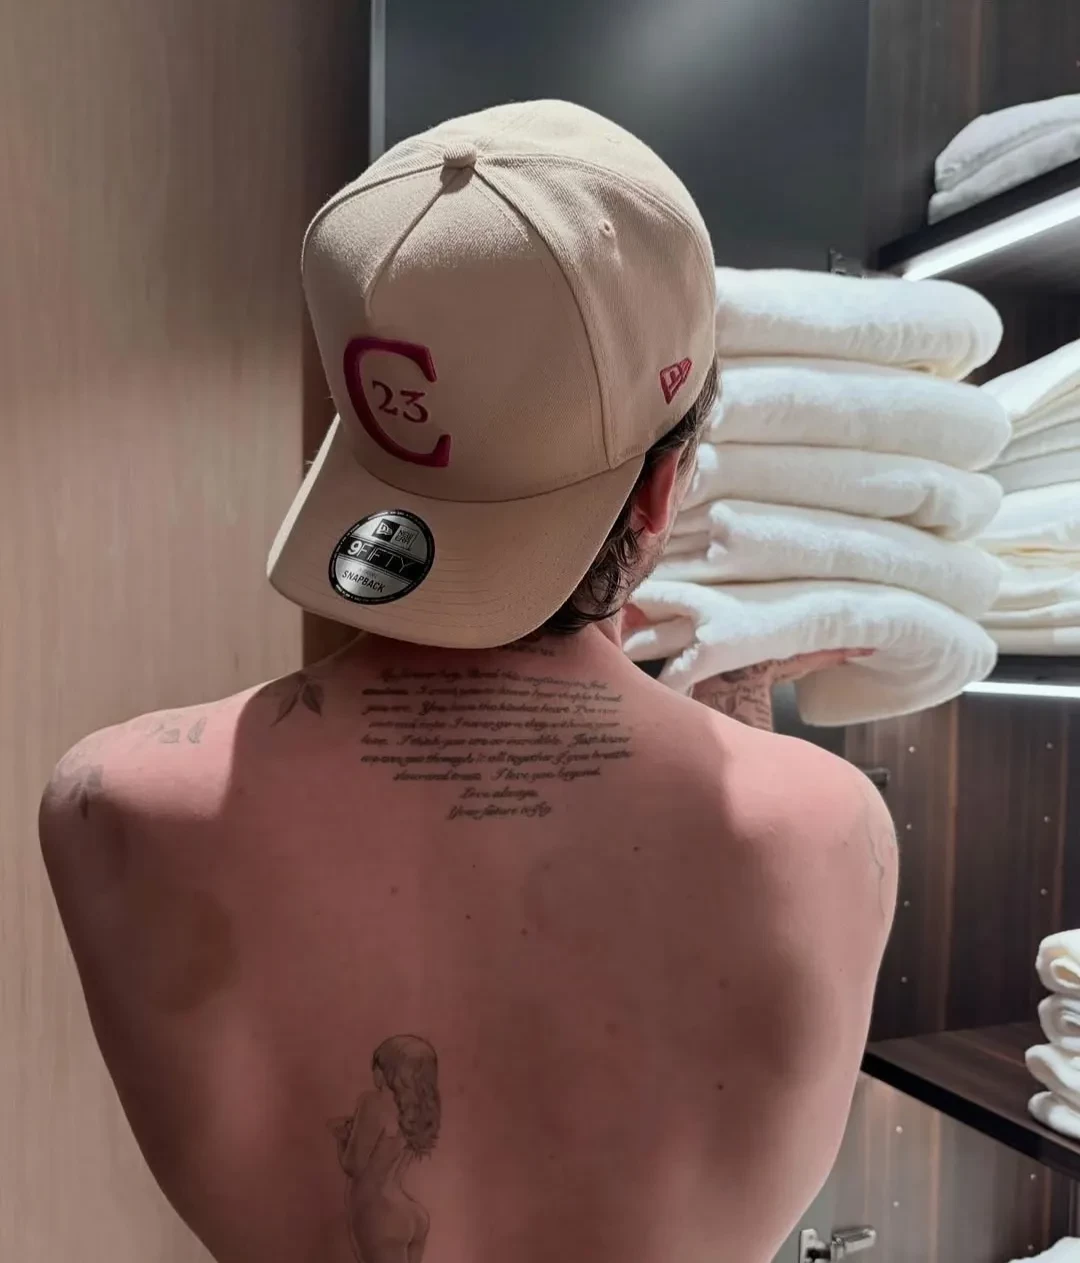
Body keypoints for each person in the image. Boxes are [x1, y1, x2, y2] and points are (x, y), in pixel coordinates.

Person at [39, 101, 897, 1263]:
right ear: (661, 492)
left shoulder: (111, 803)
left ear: (353, 443)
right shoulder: (831, 830)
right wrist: (737, 728)